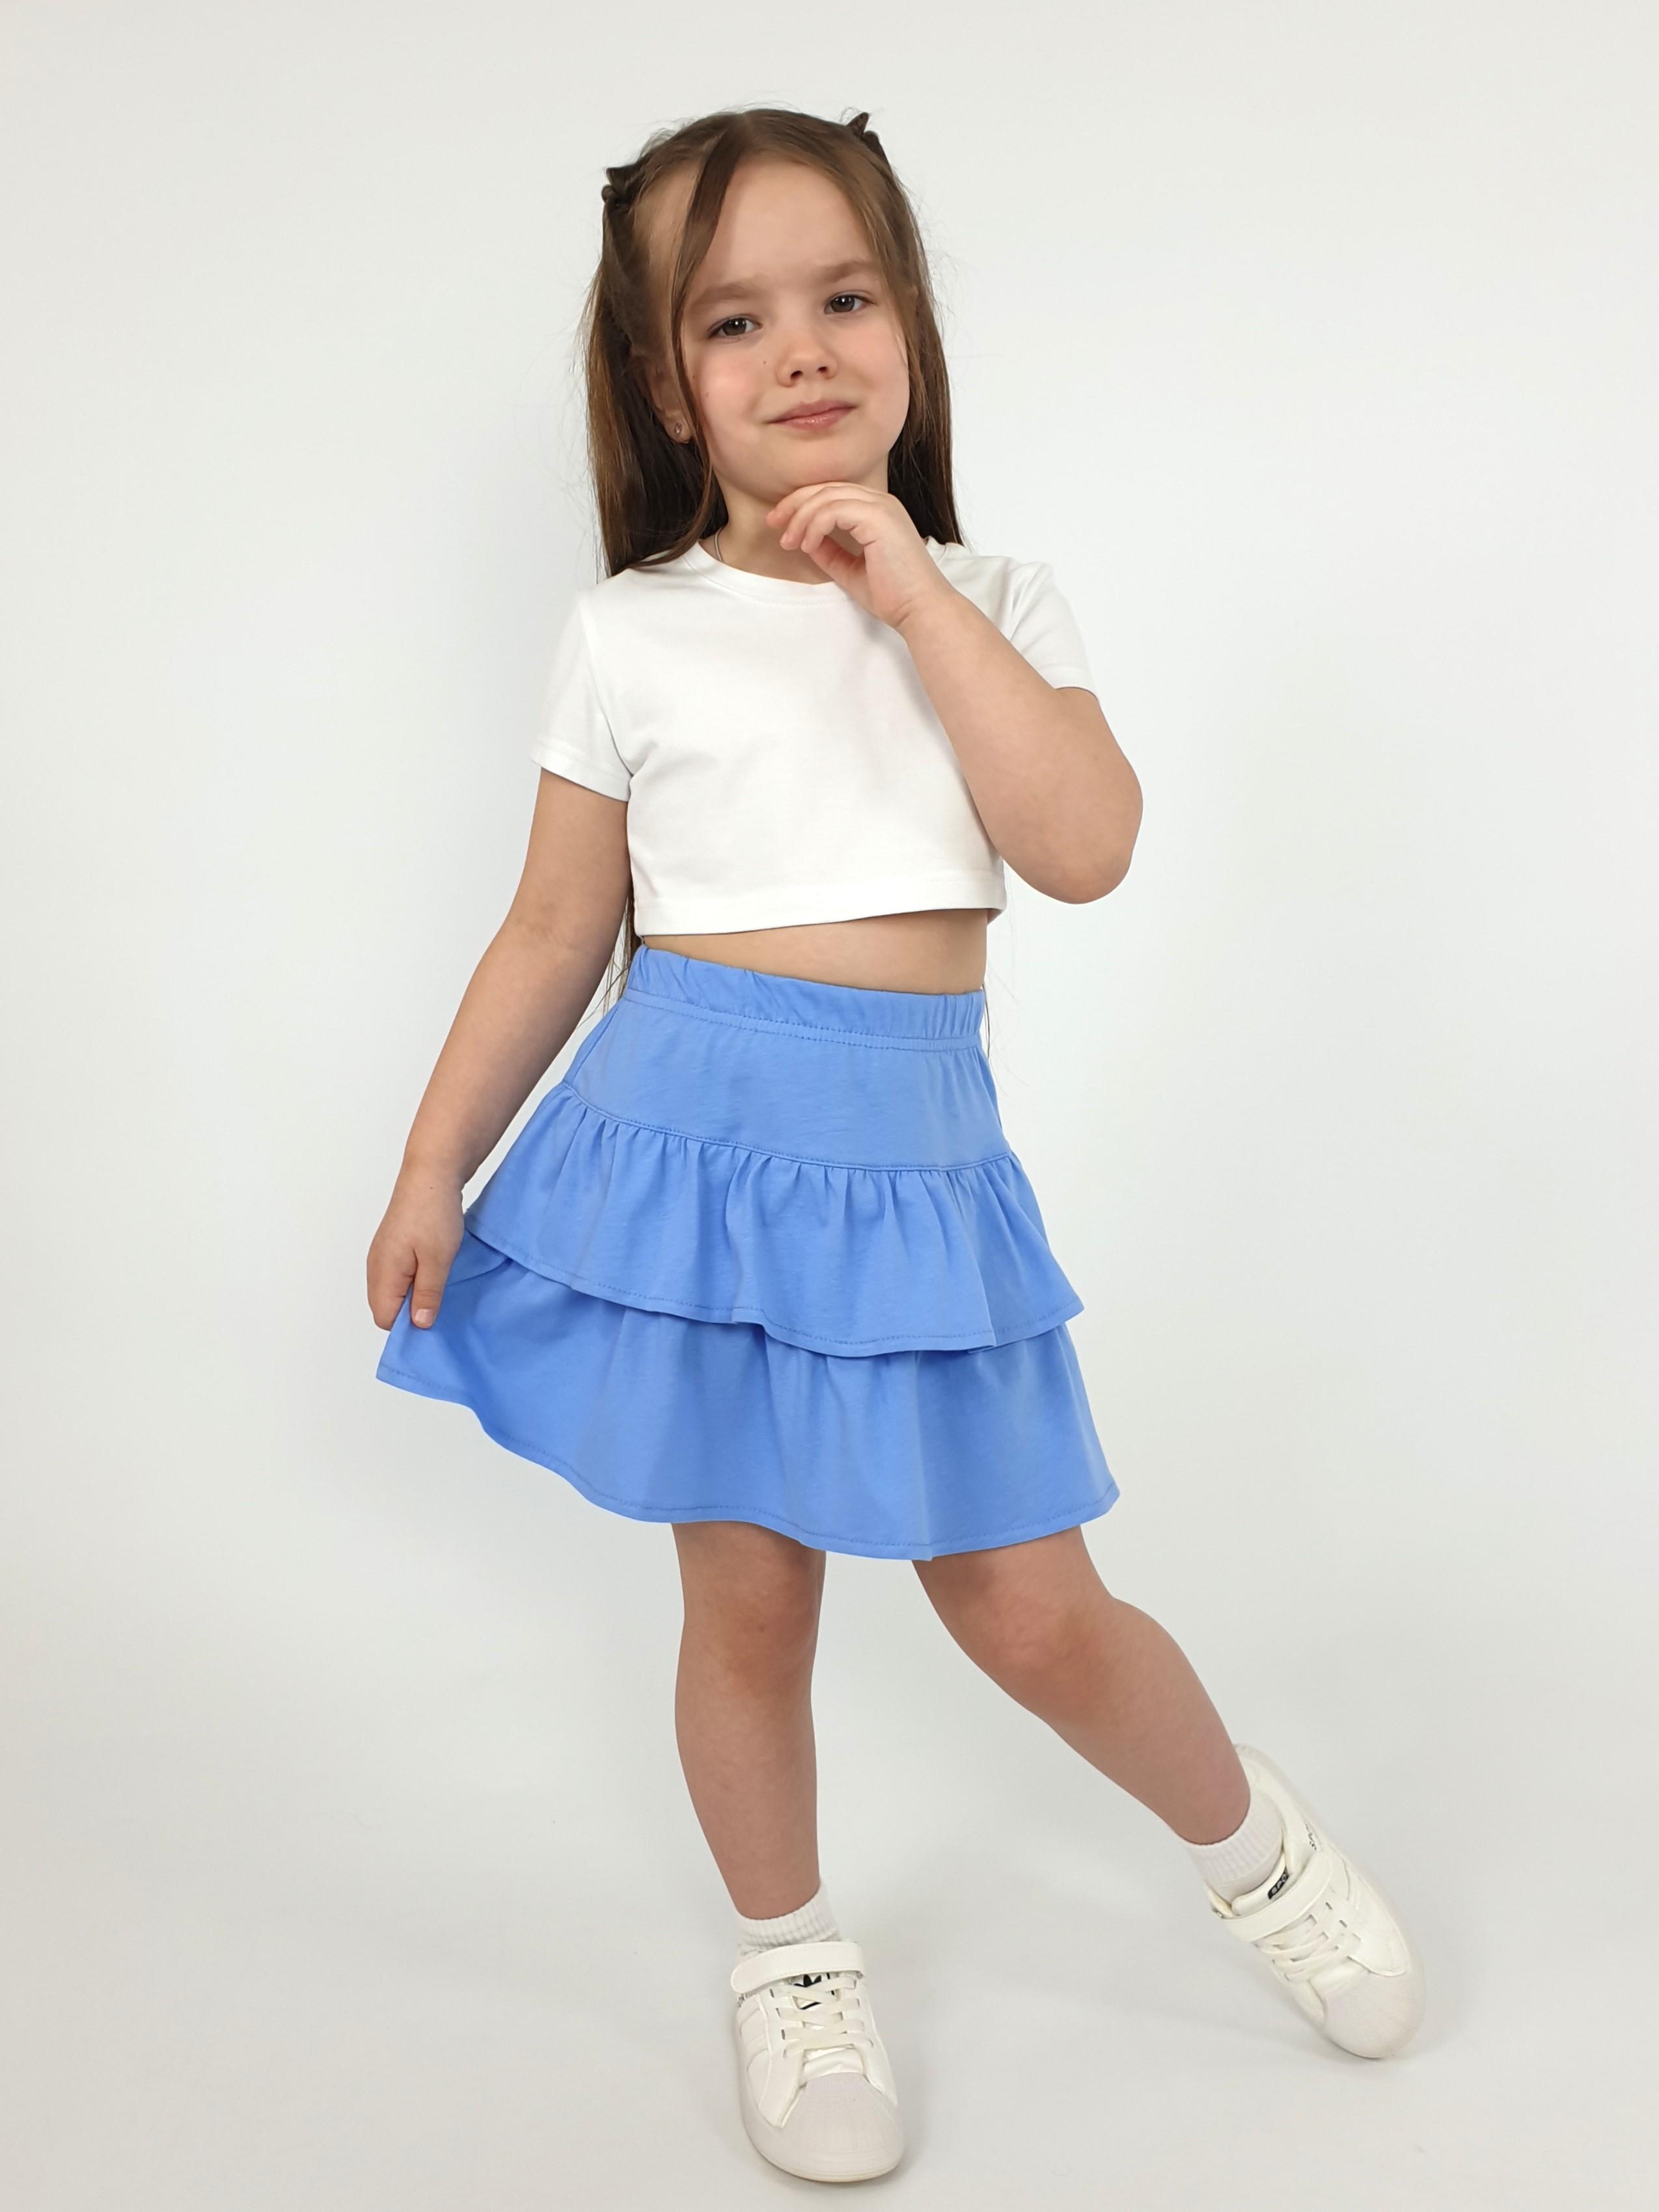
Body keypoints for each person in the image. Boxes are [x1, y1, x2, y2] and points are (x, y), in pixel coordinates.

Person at [366, 103, 1425, 2186]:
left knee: (1031, 1611)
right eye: (735, 321)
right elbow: (558, 930)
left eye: (844, 298)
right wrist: (429, 1165)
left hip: (911, 1182)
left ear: (911, 327)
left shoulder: (995, 599)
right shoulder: (633, 631)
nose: (802, 351)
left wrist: (917, 600)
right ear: (664, 384)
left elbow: (1086, 846)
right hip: (687, 1164)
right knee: (749, 1605)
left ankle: (1261, 1854)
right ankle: (789, 1960)